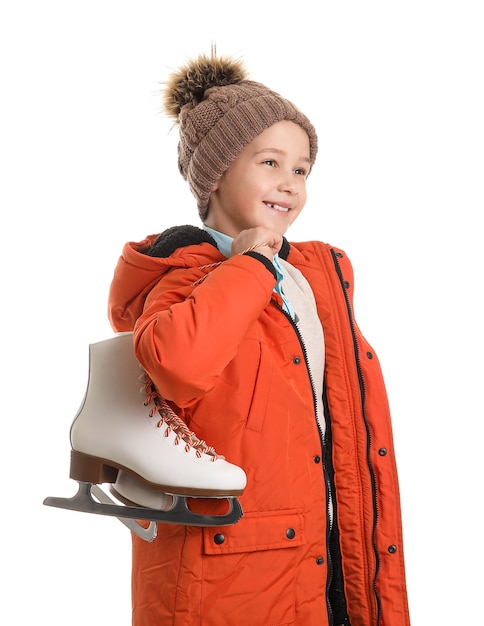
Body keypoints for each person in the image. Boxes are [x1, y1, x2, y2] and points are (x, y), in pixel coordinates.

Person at [107, 52, 410, 626]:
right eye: (269, 161)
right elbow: (179, 364)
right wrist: (246, 267)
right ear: (216, 173)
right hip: (225, 574)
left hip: (320, 554)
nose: (288, 184)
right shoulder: (184, 273)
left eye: (301, 170)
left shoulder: (309, 276)